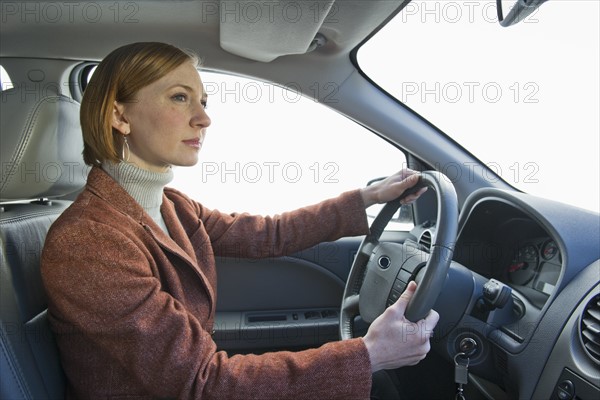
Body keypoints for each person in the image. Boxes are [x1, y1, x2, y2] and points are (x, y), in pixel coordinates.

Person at [41, 42, 439, 399]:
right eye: (180, 98)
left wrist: (367, 197)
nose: (203, 119)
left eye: (204, 101)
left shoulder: (170, 206)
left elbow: (269, 235)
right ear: (119, 116)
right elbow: (203, 383)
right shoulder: (88, 242)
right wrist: (368, 355)